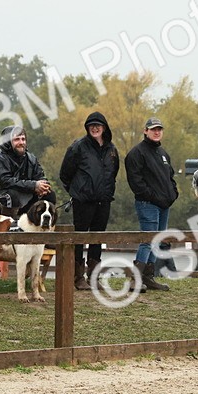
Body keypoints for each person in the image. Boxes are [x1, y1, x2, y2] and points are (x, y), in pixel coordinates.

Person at [60, 111, 119, 290]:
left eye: (98, 125)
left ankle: (94, 276)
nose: (95, 128)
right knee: (79, 237)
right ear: (87, 128)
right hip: (83, 201)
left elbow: (113, 172)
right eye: (91, 125)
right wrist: (77, 191)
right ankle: (77, 277)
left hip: (103, 201)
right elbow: (65, 173)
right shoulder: (78, 147)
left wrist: (107, 192)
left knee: (97, 238)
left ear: (104, 128)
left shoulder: (111, 149)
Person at [126, 117, 179, 292]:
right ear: (145, 131)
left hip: (164, 205)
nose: (157, 132)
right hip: (147, 204)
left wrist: (173, 193)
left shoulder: (163, 154)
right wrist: (155, 197)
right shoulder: (136, 153)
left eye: (159, 129)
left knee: (157, 240)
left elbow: (170, 177)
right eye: (153, 129)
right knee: (147, 240)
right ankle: (135, 279)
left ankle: (148, 277)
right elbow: (136, 183)